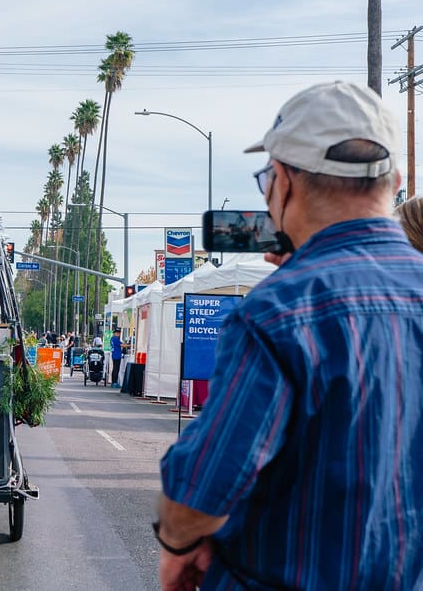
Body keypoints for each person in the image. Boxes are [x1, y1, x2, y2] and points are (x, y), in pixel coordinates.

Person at [157, 82, 423, 590]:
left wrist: (178, 544)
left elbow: (202, 491)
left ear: (283, 181)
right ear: (395, 180)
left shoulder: (278, 312)